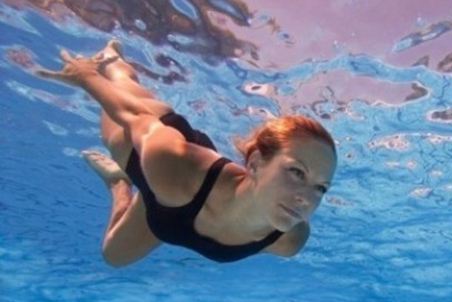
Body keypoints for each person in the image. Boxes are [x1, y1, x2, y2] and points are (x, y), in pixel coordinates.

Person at [36, 40, 337, 267]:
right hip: (160, 155)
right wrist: (87, 77)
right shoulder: (174, 165)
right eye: (297, 172)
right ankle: (114, 60)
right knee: (120, 92)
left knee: (113, 256)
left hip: (173, 199)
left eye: (321, 188)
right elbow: (135, 115)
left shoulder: (288, 240)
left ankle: (118, 182)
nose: (307, 198)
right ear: (256, 163)